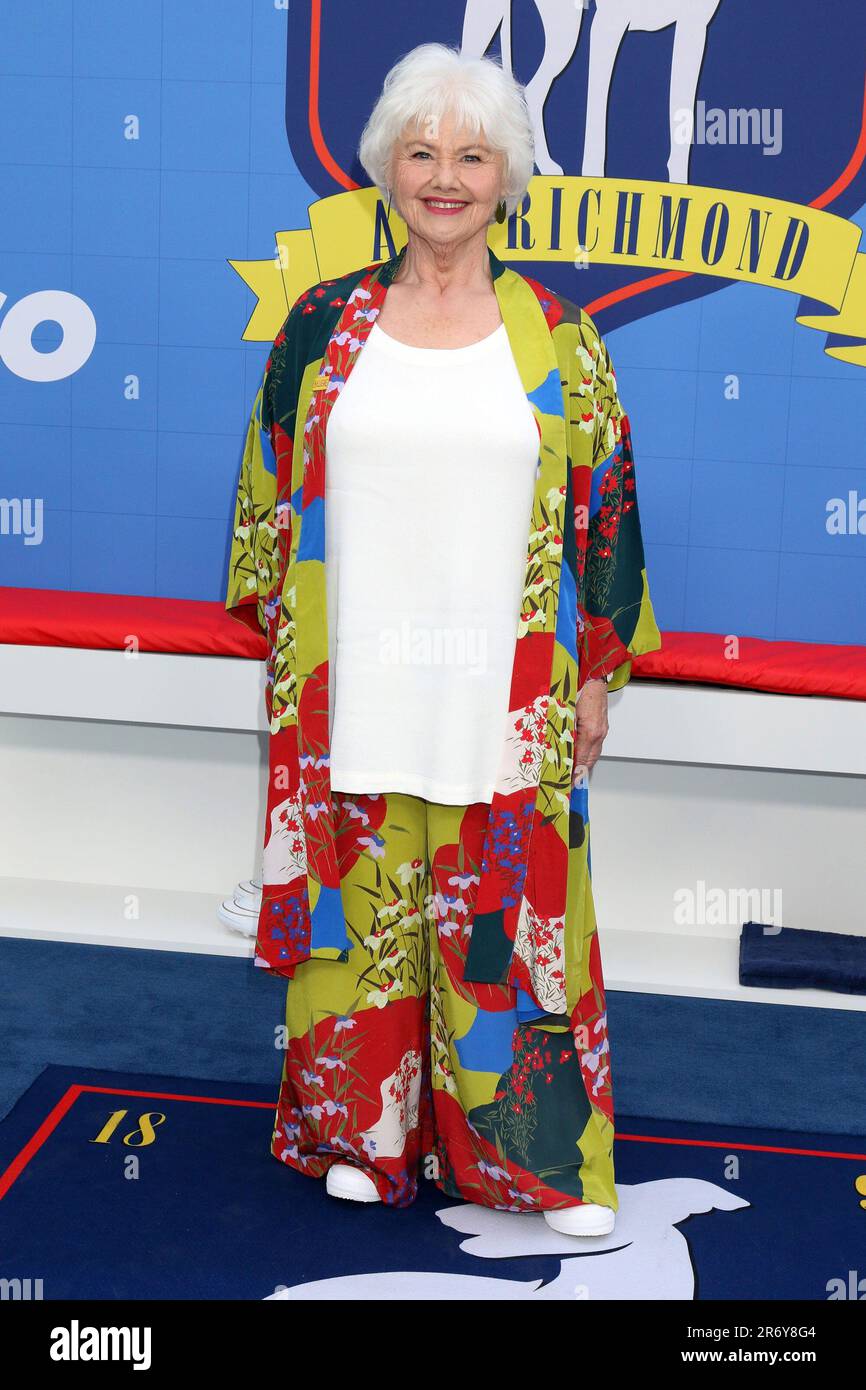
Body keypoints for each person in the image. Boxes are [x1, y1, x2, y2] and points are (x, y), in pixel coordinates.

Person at [225, 42, 662, 1236]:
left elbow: (604, 512)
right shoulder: (319, 327)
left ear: (506, 175)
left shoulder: (561, 338)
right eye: (421, 152)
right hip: (353, 679)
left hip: (501, 686)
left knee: (510, 929)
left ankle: (533, 1164)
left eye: (470, 154)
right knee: (354, 908)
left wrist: (595, 673)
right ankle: (358, 1133)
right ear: (385, 169)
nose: (444, 177)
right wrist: (285, 654)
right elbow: (270, 496)